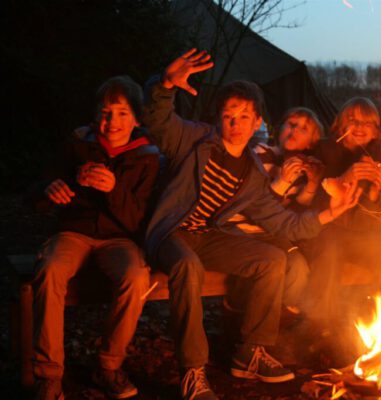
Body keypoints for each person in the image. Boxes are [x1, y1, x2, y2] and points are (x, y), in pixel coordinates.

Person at [143, 49, 360, 400]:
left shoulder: (252, 174)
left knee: (272, 260)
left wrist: (331, 213)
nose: (236, 123)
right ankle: (193, 372)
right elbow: (158, 121)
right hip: (172, 232)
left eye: (244, 115)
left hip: (210, 236)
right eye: (229, 115)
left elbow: (285, 223)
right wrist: (165, 85)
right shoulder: (194, 139)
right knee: (186, 265)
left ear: (257, 119)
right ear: (219, 118)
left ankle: (250, 353)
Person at [30, 76, 160, 400]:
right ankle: (48, 376)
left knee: (135, 276)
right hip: (74, 232)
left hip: (119, 239)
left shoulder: (147, 157)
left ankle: (109, 365)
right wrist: (50, 191)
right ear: (95, 114)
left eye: (120, 113)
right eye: (105, 112)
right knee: (50, 270)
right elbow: (36, 190)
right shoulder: (77, 144)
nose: (111, 122)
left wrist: (113, 189)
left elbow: (140, 220)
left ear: (135, 118)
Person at [301, 97, 381, 325]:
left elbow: (376, 220)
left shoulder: (379, 157)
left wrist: (375, 192)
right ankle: (318, 325)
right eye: (352, 121)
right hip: (325, 232)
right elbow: (314, 205)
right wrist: (344, 178)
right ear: (340, 126)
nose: (360, 127)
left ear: (376, 131)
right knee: (330, 247)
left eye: (367, 123)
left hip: (359, 236)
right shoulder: (323, 151)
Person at [227, 107, 325, 317]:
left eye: (304, 129)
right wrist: (282, 182)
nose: (295, 130)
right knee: (270, 266)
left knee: (298, 267)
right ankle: (237, 311)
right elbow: (255, 205)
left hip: (272, 235)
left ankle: (283, 317)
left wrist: (312, 184)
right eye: (291, 124)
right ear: (279, 130)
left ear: (311, 143)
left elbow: (295, 214)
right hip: (243, 230)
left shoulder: (304, 168)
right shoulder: (261, 154)